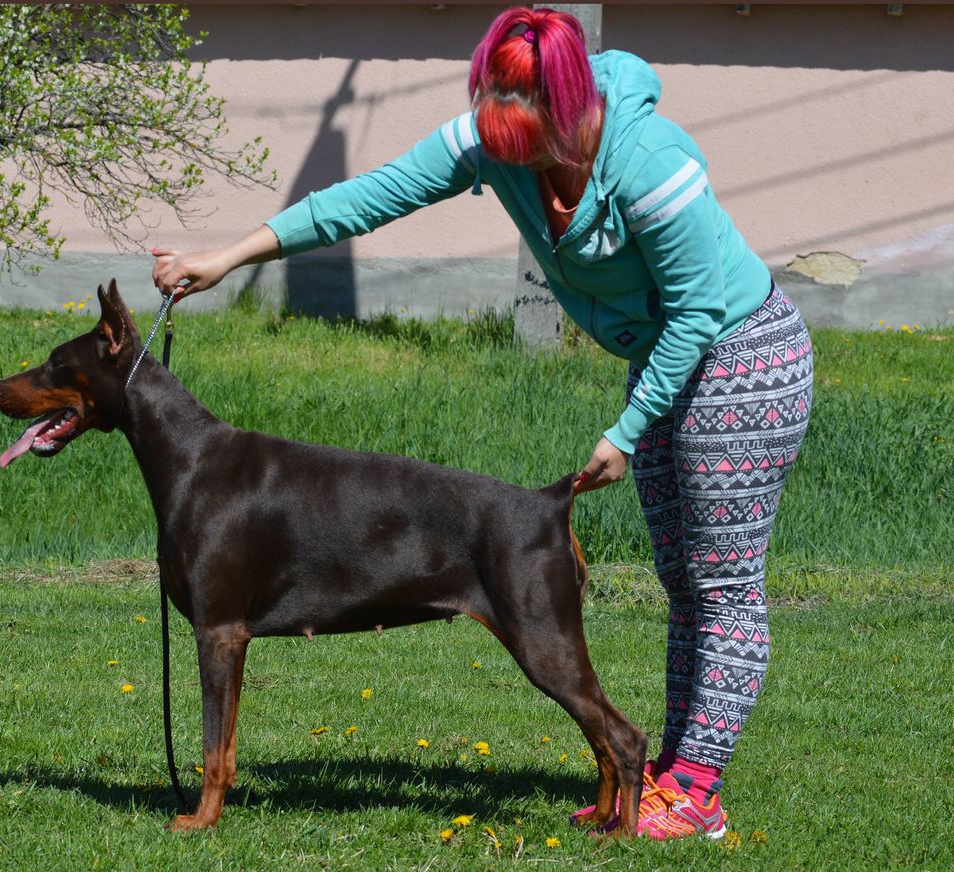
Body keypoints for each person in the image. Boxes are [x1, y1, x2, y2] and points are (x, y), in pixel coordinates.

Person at [151, 6, 812, 841]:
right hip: (666, 359)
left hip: (742, 358)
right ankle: (664, 777)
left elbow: (698, 311)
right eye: (493, 136)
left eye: (519, 138)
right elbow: (370, 197)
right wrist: (230, 256)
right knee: (682, 583)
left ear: (567, 111)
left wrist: (626, 430)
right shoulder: (493, 137)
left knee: (721, 587)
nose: (503, 154)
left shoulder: (653, 163)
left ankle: (696, 790)